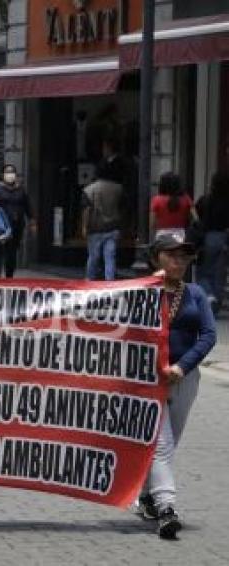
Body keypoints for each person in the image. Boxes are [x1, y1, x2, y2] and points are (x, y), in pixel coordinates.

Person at [135, 233, 216, 539]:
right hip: (147, 380)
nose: (179, 261)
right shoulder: (140, 292)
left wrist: (182, 367)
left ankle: (147, 497)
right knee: (161, 445)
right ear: (156, 258)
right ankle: (167, 508)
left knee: (167, 445)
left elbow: (209, 335)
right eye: (172, 255)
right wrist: (149, 291)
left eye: (184, 257)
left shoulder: (195, 293)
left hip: (184, 377)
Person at [81, 157, 124, 281]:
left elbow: (86, 210)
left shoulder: (89, 190)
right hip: (112, 228)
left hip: (95, 228)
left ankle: (89, 280)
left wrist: (84, 227)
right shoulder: (118, 188)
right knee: (110, 257)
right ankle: (109, 281)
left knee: (93, 257)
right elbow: (122, 208)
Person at [0, 164, 36, 278]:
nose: (10, 175)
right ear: (3, 175)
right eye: (7, 172)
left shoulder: (20, 190)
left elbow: (28, 206)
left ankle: (9, 276)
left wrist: (32, 221)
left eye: (12, 172)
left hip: (16, 227)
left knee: (12, 253)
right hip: (0, 227)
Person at [195, 171, 229, 313]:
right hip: (224, 237)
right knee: (219, 272)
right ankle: (217, 301)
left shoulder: (205, 200)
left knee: (203, 271)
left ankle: (208, 295)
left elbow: (197, 214)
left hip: (208, 237)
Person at [150, 172, 195, 240]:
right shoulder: (186, 199)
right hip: (181, 235)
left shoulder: (156, 200)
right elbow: (195, 218)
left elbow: (152, 223)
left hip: (162, 236)